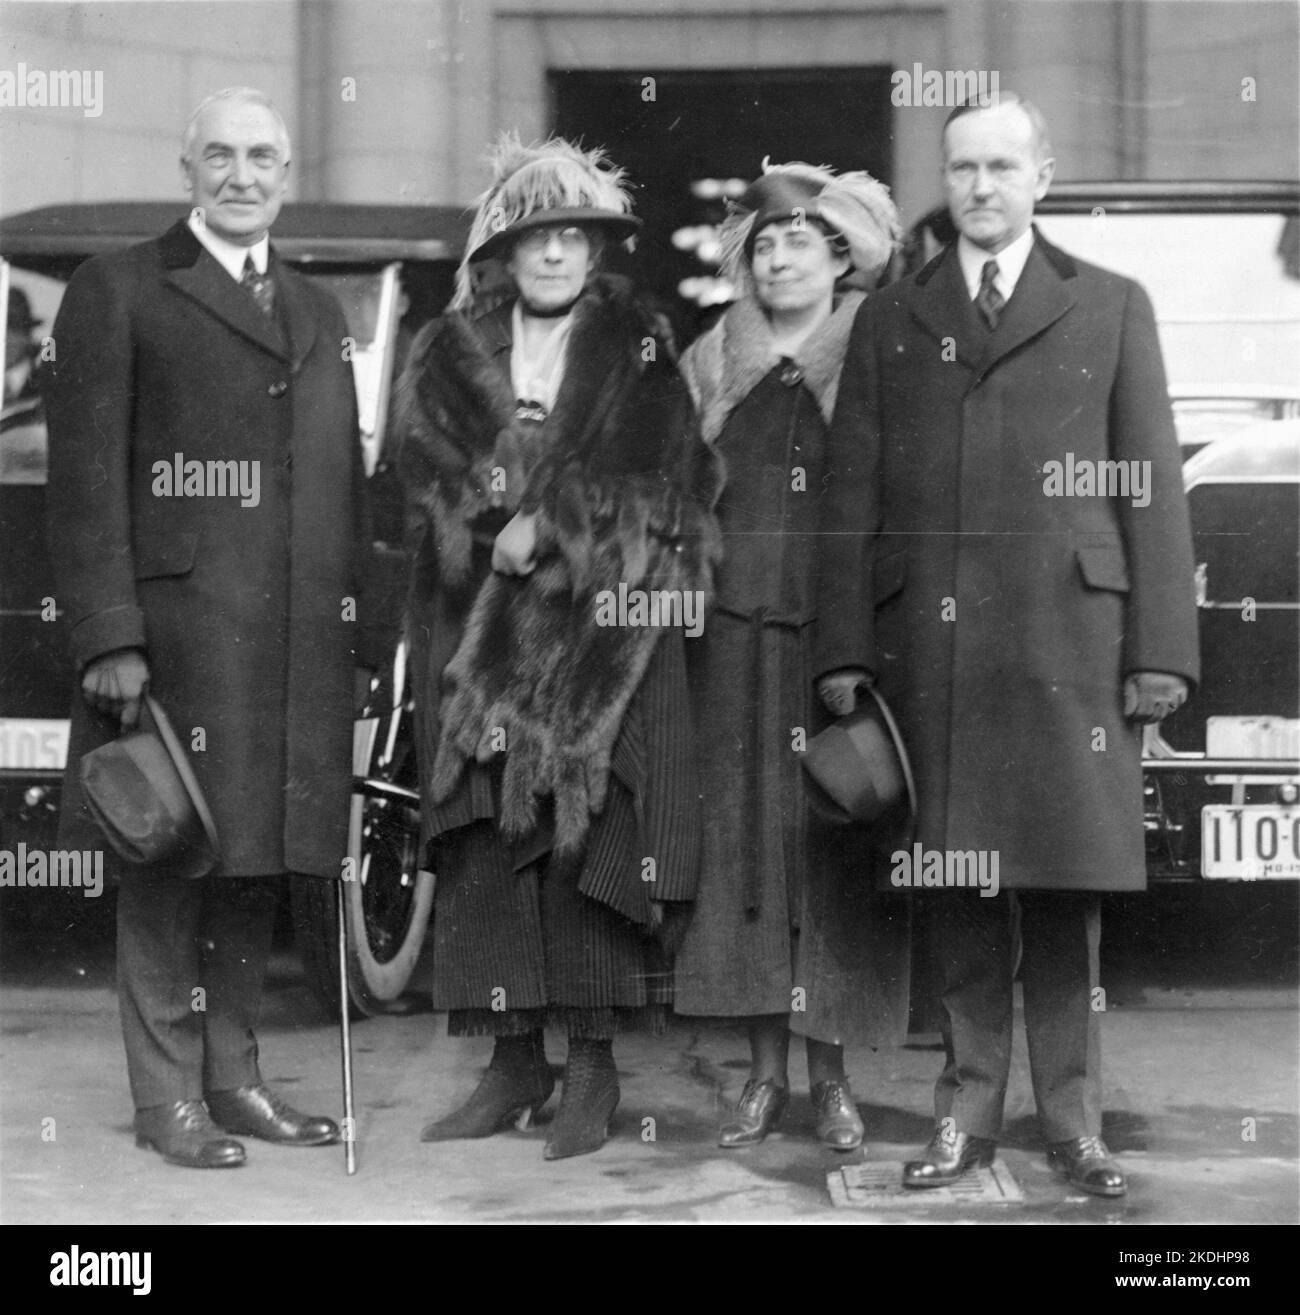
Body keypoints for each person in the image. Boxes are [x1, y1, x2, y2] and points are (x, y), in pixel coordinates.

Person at [831, 93, 1199, 1196]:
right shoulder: (893, 320)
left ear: (1043, 175)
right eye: (961, 169)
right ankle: (965, 1115)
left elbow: (1152, 488)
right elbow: (847, 496)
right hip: (930, 658)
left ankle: (1074, 1124)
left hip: (1068, 649)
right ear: (943, 183)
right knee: (957, 893)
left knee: (1063, 893)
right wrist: (841, 653)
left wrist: (1161, 653)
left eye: (1001, 166)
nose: (980, 187)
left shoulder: (1112, 305)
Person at [45, 87, 377, 1168]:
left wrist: (354, 635)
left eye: (263, 158)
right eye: (220, 156)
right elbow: (83, 478)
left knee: (258, 864)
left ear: (287, 174)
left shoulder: (318, 313)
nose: (243, 175)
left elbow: (343, 487)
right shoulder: (120, 290)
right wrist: (107, 634)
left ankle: (234, 1082)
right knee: (166, 859)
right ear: (186, 167)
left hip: (290, 651)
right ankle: (165, 1100)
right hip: (179, 643)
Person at [397, 134, 721, 1160]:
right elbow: (423, 470)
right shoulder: (446, 347)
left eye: (573, 236)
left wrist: (561, 521)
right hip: (480, 631)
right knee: (487, 841)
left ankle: (590, 1066)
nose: (553, 254)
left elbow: (673, 486)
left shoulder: (637, 343)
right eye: (535, 236)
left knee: (587, 838)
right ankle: (509, 1064)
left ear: (596, 250)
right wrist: (497, 523)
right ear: (503, 246)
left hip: (598, 640)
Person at [672, 163, 910, 1151]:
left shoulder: (877, 356)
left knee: (835, 858)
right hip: (729, 650)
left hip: (836, 651)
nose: (777, 258)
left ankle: (836, 1080)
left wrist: (864, 640)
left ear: (841, 256)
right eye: (762, 244)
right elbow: (671, 501)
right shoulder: (703, 363)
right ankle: (764, 1076)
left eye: (799, 242)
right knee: (747, 861)